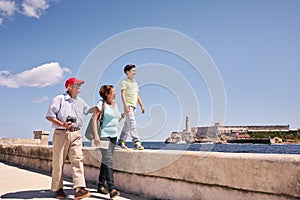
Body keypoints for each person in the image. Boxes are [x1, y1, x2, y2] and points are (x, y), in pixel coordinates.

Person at [46, 77, 94, 199]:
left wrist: (99, 107)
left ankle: (79, 189)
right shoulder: (59, 99)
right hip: (61, 133)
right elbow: (50, 116)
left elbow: (88, 110)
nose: (79, 88)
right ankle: (58, 189)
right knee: (58, 162)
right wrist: (62, 124)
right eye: (77, 85)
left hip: (76, 133)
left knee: (78, 159)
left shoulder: (80, 101)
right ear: (69, 87)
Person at [92, 85, 123, 198]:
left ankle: (100, 185)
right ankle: (112, 188)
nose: (115, 92)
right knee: (109, 160)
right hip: (104, 136)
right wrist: (96, 136)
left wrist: (124, 113)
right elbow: (94, 119)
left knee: (106, 161)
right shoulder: (101, 104)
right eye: (113, 91)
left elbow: (116, 119)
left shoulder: (116, 105)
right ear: (107, 93)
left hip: (114, 136)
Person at [117, 64, 145, 150]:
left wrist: (141, 106)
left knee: (127, 125)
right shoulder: (124, 82)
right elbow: (123, 94)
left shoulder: (136, 83)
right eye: (133, 71)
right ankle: (136, 142)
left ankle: (121, 141)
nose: (134, 72)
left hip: (134, 106)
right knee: (132, 123)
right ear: (127, 72)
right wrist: (125, 106)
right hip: (128, 105)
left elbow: (137, 95)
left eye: (135, 71)